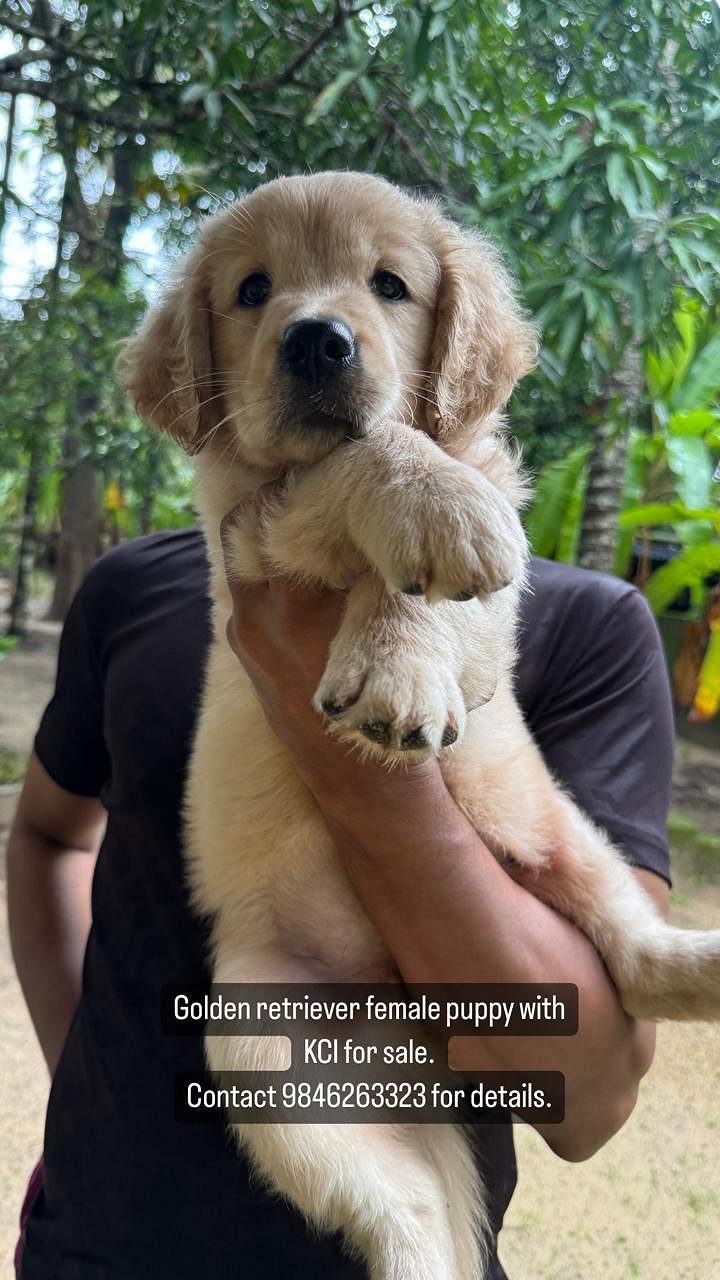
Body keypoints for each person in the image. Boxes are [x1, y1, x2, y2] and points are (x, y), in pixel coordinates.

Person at [8, 527, 674, 1280]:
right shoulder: (132, 583)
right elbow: (48, 835)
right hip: (88, 1248)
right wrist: (83, 1080)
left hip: (400, 1242)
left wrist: (357, 746)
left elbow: (590, 1100)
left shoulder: (588, 625)